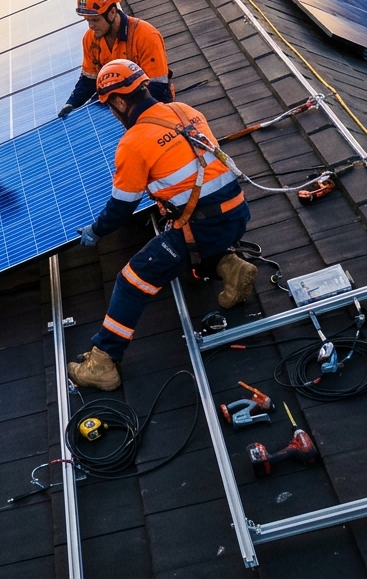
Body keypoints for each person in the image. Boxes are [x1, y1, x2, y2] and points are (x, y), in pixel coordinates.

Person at [68, 59, 256, 391]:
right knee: (178, 238)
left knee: (132, 280)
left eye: (110, 106)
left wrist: (96, 231)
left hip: (204, 227)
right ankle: (232, 267)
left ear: (119, 102)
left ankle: (103, 362)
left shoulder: (134, 142)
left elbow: (122, 207)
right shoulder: (185, 110)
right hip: (237, 213)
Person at [58, 0, 173, 119]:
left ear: (112, 12)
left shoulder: (146, 35)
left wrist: (133, 116)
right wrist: (72, 103)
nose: (91, 26)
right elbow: (89, 81)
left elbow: (158, 88)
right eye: (87, 20)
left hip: (150, 102)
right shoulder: (90, 39)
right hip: (114, 106)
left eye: (95, 20)